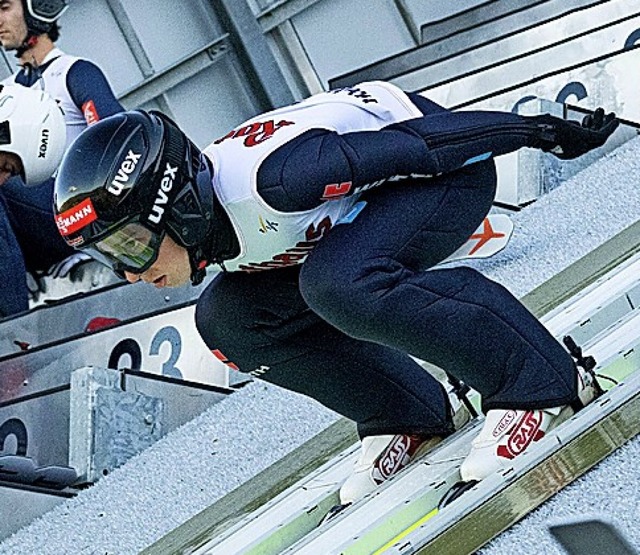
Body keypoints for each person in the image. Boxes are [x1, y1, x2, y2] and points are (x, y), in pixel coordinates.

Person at [52, 81, 619, 506]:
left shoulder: (277, 181)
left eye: (129, 244)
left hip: (443, 175)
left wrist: (544, 131)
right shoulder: (209, 224)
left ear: (175, 206)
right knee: (226, 320)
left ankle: (539, 382)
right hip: (359, 213)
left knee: (338, 284)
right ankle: (407, 412)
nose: (128, 272)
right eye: (110, 256)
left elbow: (419, 145)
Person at [0, 0, 124, 318]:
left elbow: (115, 142)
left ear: (38, 7)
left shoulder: (73, 72)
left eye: (4, 7)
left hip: (71, 212)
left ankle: (8, 327)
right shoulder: (8, 89)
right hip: (27, 230)